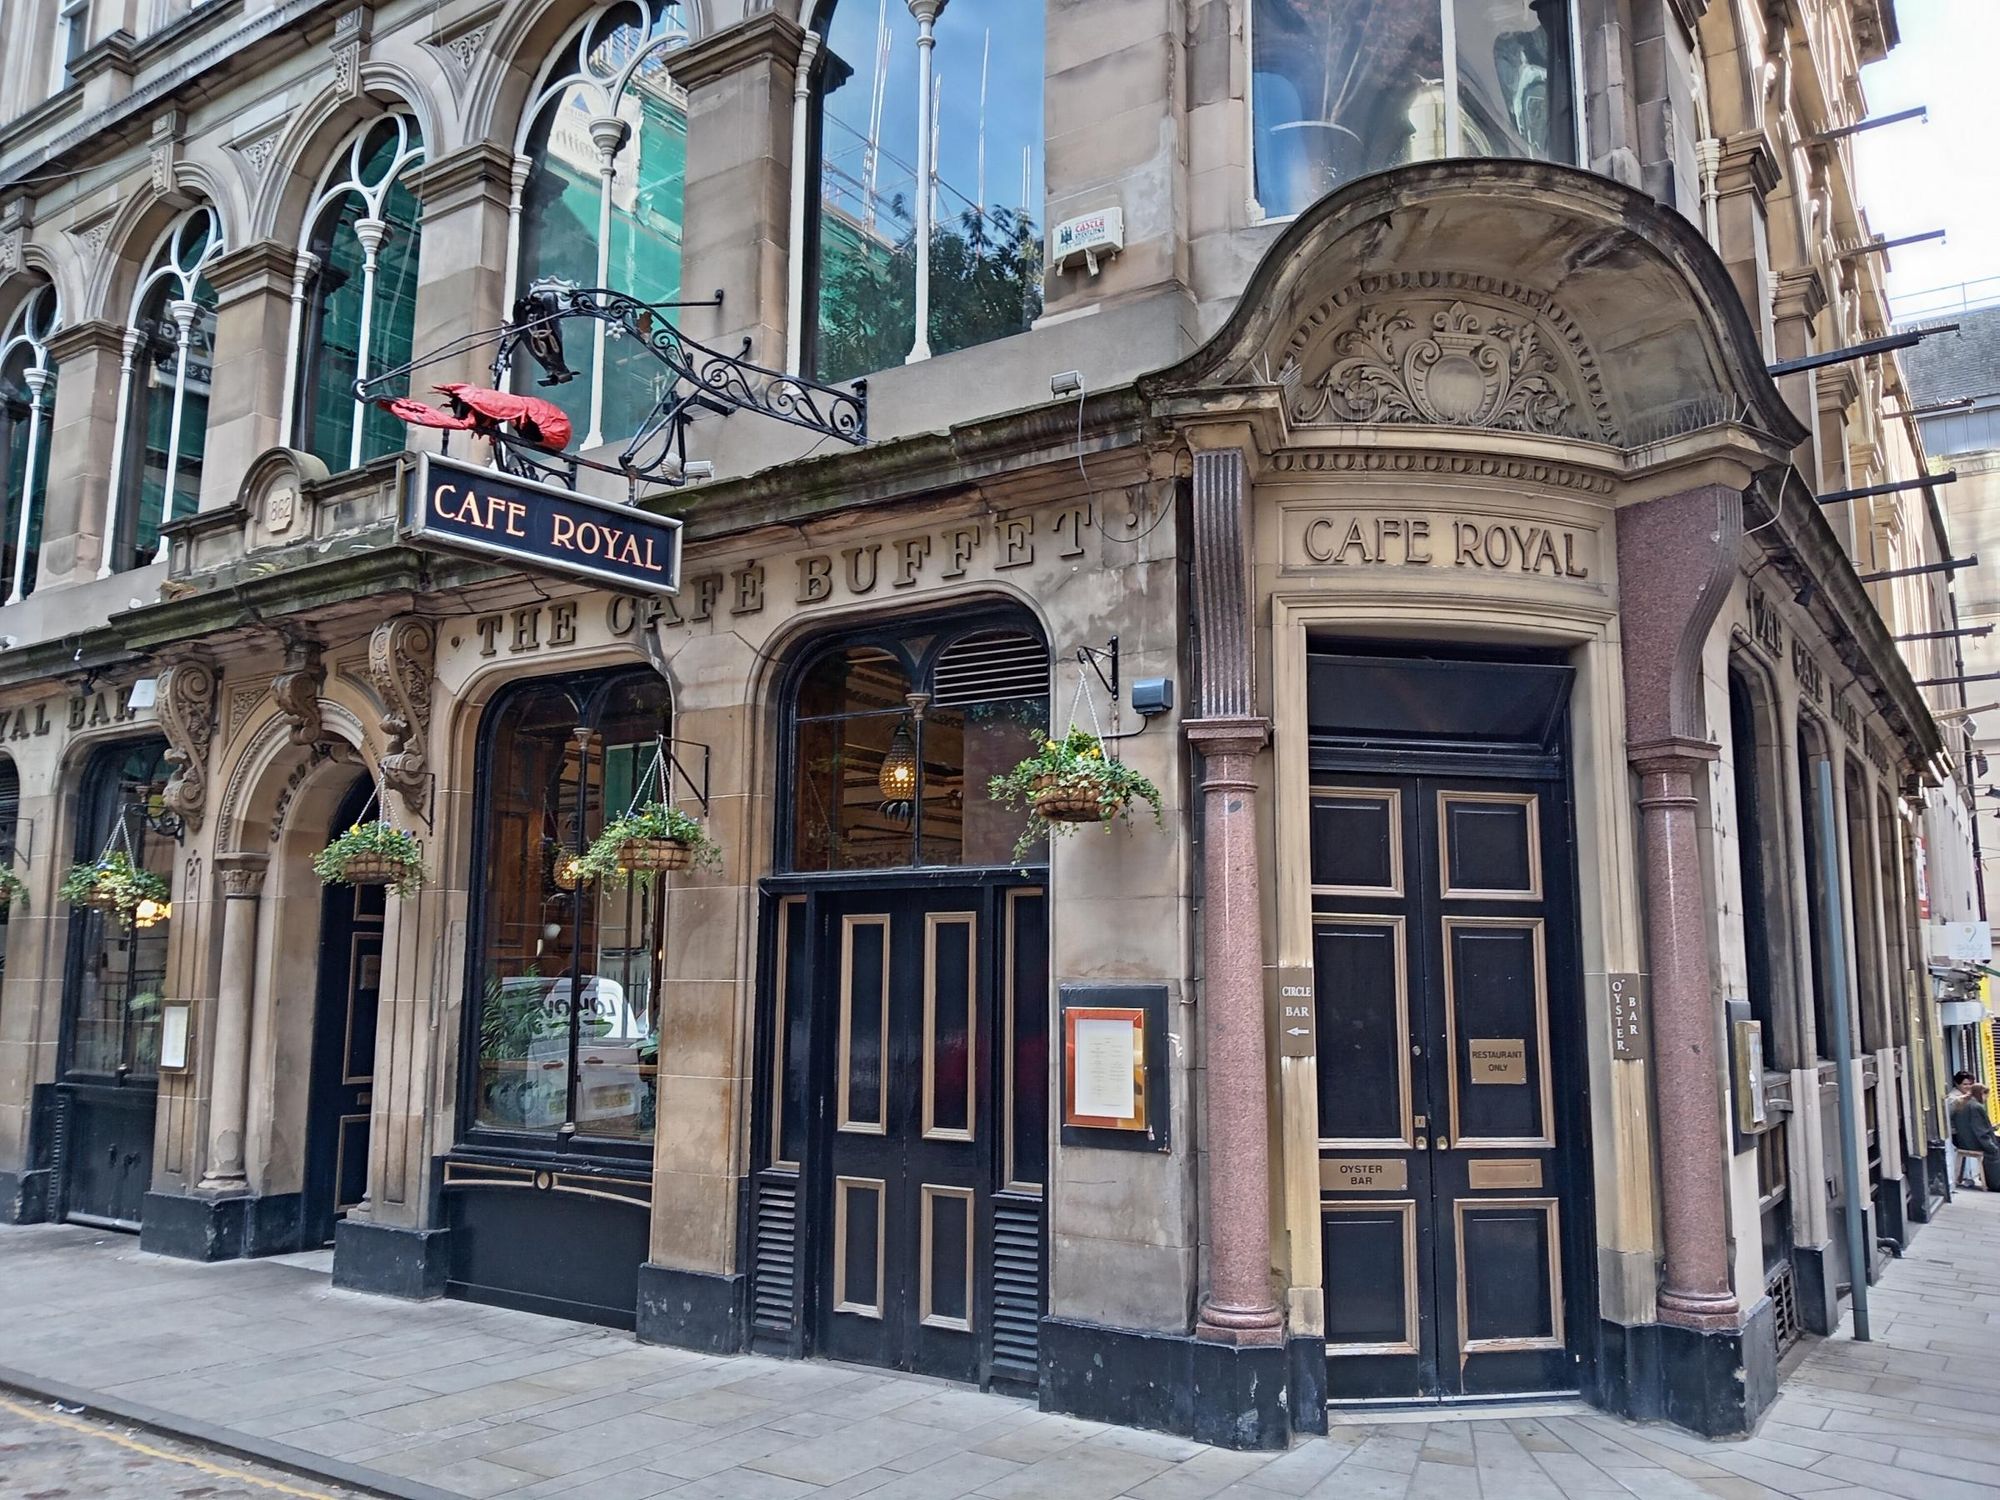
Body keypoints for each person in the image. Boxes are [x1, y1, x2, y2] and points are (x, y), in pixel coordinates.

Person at [1949, 1071, 2000, 1190]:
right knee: (1995, 1151)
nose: (1986, 1099)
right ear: (1981, 1094)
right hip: (1972, 1142)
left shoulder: (1965, 1103)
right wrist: (1991, 1146)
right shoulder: (1975, 1106)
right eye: (1986, 1096)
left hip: (1964, 1140)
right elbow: (1981, 1132)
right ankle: (1995, 1182)